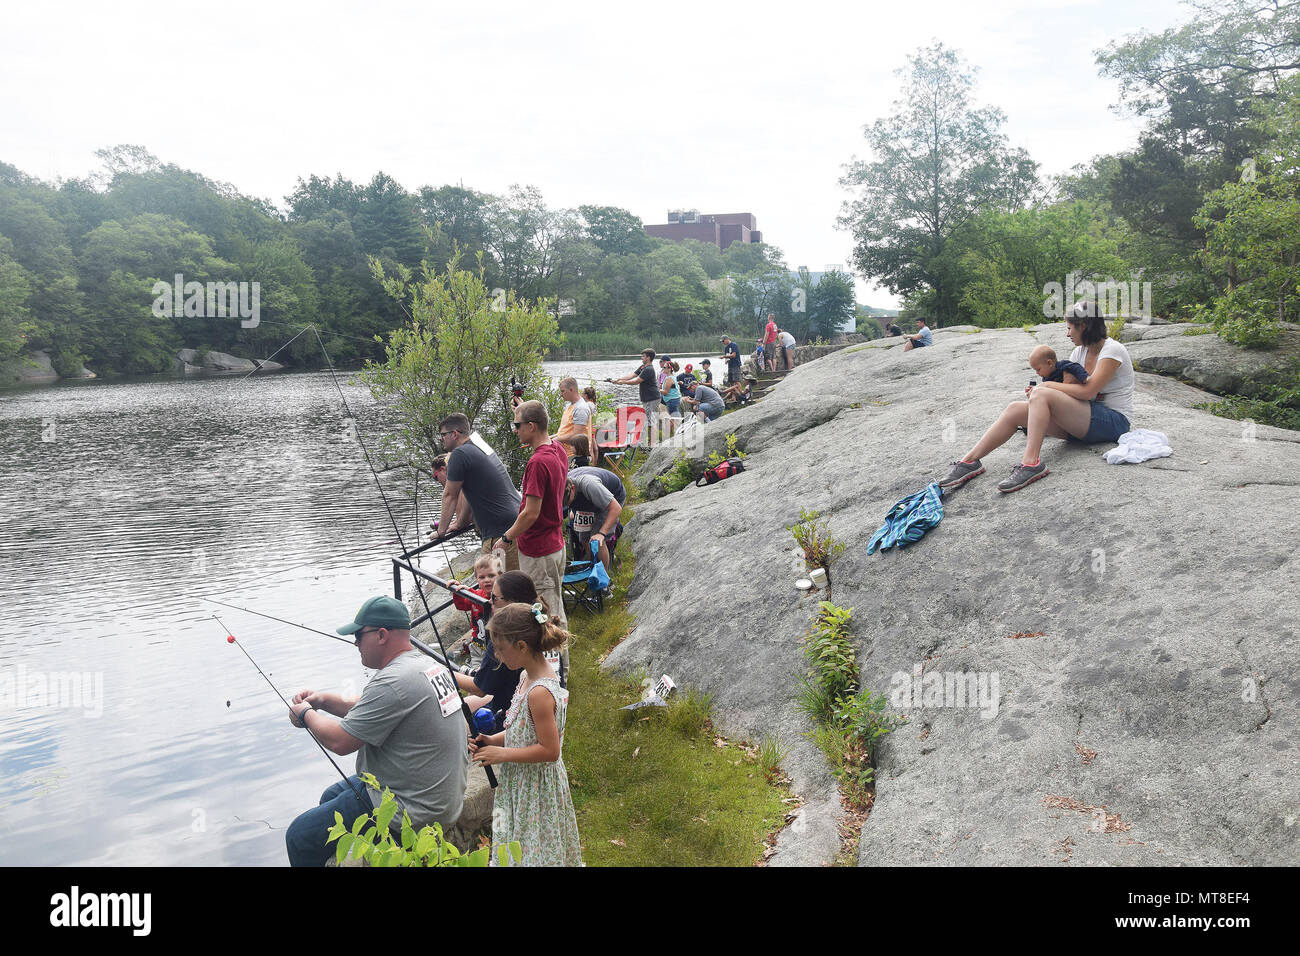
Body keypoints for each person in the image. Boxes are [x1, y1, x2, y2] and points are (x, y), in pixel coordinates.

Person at [285, 595, 468, 867]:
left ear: (381, 635)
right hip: (437, 798)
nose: (355, 643)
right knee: (330, 796)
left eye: (359, 635)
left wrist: (305, 714)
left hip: (413, 811)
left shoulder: (394, 681)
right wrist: (322, 700)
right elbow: (366, 708)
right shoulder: (424, 666)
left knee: (299, 836)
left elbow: (340, 742)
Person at [939, 300, 1135, 494]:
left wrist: (1046, 387)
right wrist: (1039, 399)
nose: (1067, 334)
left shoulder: (1112, 350)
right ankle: (969, 461)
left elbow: (1088, 392)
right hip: (1083, 422)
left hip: (1113, 422)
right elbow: (1069, 391)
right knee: (1015, 408)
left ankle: (1031, 463)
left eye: (1069, 328)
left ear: (1082, 326)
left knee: (1042, 392)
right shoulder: (1079, 352)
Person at [469, 602, 582, 867]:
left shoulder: (540, 692)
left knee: (535, 850)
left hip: (536, 788)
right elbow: (522, 733)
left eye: (500, 649)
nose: (496, 655)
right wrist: (492, 741)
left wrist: (502, 754)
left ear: (521, 646)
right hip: (517, 784)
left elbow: (550, 751)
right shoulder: (524, 677)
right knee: (513, 842)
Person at [495, 400, 570, 682]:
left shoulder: (537, 462)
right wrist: (522, 404)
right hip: (554, 544)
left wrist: (506, 538)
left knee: (544, 615)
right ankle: (559, 672)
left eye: (517, 425)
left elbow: (530, 512)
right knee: (555, 607)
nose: (514, 430)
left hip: (539, 549)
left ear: (531, 426)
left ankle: (555, 679)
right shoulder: (557, 450)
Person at [433, 413, 522, 571]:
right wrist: (460, 523)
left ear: (455, 434)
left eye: (443, 435)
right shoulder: (478, 446)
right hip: (513, 522)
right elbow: (469, 492)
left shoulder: (459, 455)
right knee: (499, 583)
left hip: (501, 532)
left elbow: (449, 495)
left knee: (503, 586)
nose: (441, 439)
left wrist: (441, 532)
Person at [448, 552, 502, 671]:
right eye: (482, 577)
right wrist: (458, 591)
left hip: (496, 646)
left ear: (500, 575)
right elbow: (461, 605)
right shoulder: (476, 595)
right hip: (478, 646)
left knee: (494, 671)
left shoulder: (504, 597)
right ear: (476, 579)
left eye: (491, 575)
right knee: (477, 672)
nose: (487, 580)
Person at [565, 469, 624, 570]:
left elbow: (616, 508)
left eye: (566, 501)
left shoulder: (589, 484)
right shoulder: (561, 485)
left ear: (573, 489)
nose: (566, 504)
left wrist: (601, 533)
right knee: (584, 538)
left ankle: (603, 580)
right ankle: (593, 566)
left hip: (611, 498)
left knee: (597, 541)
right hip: (587, 498)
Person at [607, 349, 660, 441]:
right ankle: (650, 442)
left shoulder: (649, 369)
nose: (641, 358)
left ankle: (653, 445)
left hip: (652, 398)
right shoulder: (643, 367)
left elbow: (636, 381)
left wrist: (622, 383)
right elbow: (632, 375)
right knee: (649, 421)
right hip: (647, 398)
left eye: (643, 356)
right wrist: (618, 379)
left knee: (652, 422)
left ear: (648, 358)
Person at [552, 377, 595, 460]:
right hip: (566, 454)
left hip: (575, 456)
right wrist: (547, 439)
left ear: (571, 390)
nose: (561, 394)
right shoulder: (570, 406)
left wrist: (555, 440)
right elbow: (566, 431)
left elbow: (577, 436)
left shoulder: (580, 408)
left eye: (563, 391)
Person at [660, 358, 682, 434]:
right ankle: (673, 432)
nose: (663, 368)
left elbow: (665, 392)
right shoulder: (671, 376)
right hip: (674, 399)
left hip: (672, 400)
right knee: (674, 417)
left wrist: (655, 390)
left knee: (674, 417)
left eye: (664, 367)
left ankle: (677, 431)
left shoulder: (669, 378)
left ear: (669, 369)